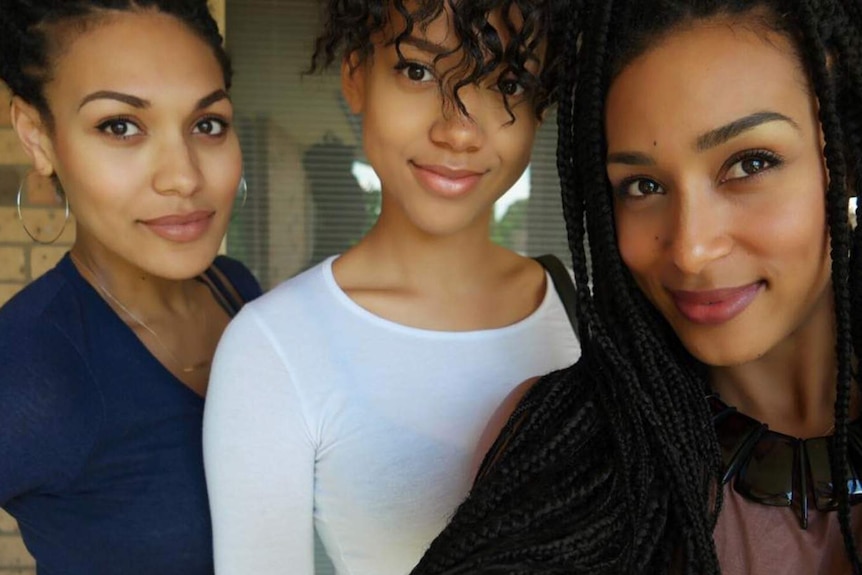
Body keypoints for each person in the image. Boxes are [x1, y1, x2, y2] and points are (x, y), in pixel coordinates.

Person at [409, 0, 862, 573]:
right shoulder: (559, 458)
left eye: (750, 164)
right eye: (642, 185)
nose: (692, 248)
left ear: (842, 164)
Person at [202, 1, 580, 573]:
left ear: (539, 106)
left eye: (507, 81)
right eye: (419, 71)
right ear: (356, 75)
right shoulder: (273, 348)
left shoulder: (589, 310)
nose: (457, 130)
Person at [0, 2, 261, 574]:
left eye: (207, 125)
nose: (184, 176)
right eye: (120, 126)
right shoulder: (29, 366)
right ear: (37, 137)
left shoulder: (238, 292)